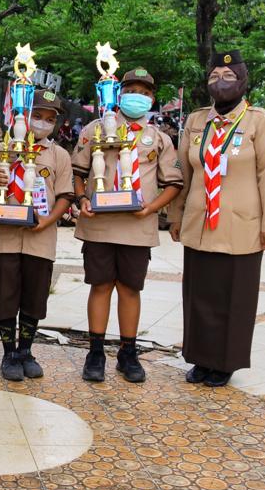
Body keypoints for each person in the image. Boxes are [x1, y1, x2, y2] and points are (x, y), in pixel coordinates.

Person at [168, 50, 265, 387]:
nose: (220, 82)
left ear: (243, 81)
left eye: (229, 76)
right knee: (199, 295)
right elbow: (183, 173)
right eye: (214, 76)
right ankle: (201, 359)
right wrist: (175, 215)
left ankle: (224, 362)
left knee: (234, 297)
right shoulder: (196, 121)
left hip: (241, 224)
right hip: (200, 222)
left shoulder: (258, 121)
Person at [72, 68, 183, 383]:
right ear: (119, 94)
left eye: (145, 92)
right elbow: (78, 172)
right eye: (131, 89)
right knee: (101, 285)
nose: (138, 96)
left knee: (130, 288)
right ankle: (95, 352)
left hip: (137, 227)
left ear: (152, 98)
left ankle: (128, 352)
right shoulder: (96, 130)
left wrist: (151, 209)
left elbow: (174, 183)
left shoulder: (159, 138)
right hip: (100, 225)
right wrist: (82, 200)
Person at [0, 90, 74, 380]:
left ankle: (26, 349)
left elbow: (64, 195)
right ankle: (9, 352)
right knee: (4, 293)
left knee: (34, 296)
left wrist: (47, 221)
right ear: (23, 116)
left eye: (49, 119)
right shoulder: (1, 150)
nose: (42, 123)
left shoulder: (58, 155)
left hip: (40, 236)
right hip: (5, 237)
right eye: (37, 116)